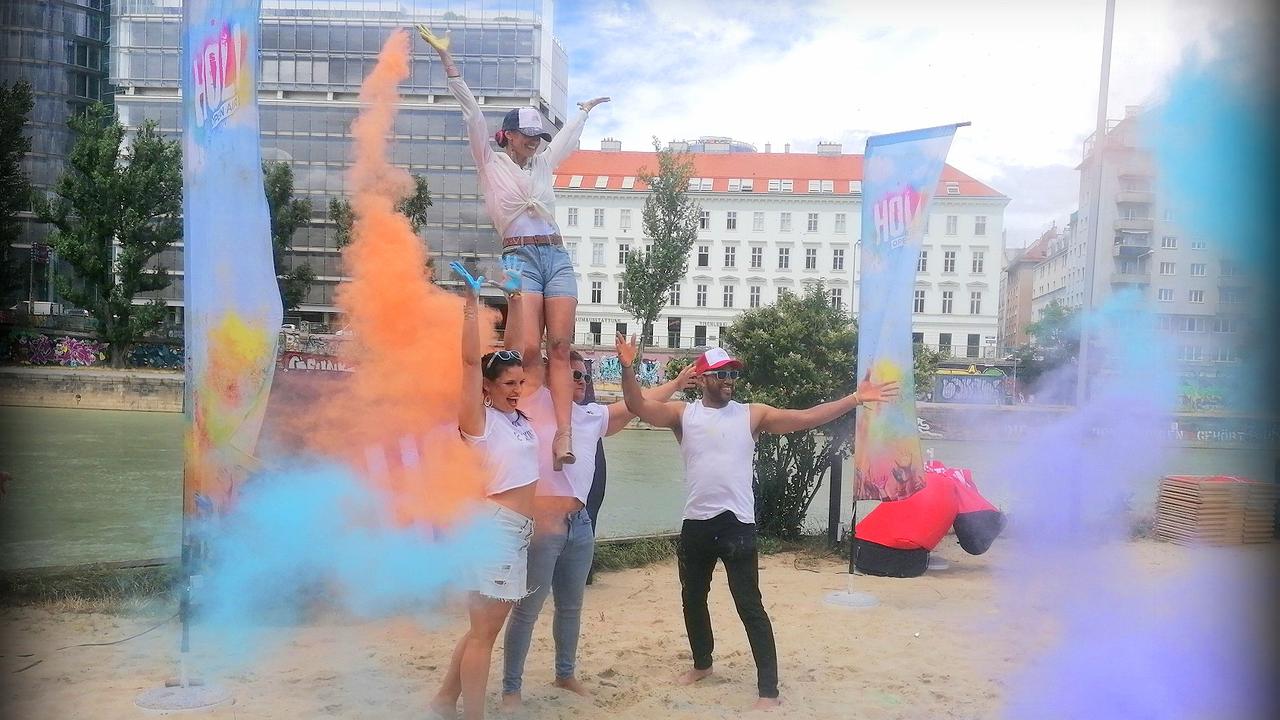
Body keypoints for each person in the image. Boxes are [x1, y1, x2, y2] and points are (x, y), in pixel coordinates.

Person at [617, 338, 901, 711]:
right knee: (692, 599)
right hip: (696, 524)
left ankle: (768, 690)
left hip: (738, 526)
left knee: (750, 606)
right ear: (701, 379)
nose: (729, 380)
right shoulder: (682, 415)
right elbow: (637, 405)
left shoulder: (752, 414)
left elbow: (806, 417)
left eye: (733, 373)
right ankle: (703, 664)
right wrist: (626, 368)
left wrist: (854, 399)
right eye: (721, 374)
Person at [417, 24, 609, 472]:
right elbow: (472, 115)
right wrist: (450, 65)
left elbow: (565, 140)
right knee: (525, 347)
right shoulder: (490, 162)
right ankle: (515, 420)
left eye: (538, 136)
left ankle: (563, 433)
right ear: (507, 135)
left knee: (560, 345)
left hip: (555, 255)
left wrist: (582, 113)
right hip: (519, 256)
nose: (534, 142)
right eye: (526, 135)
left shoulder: (543, 165)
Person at [501, 344, 696, 709]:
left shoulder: (590, 414)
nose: (581, 381)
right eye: (574, 374)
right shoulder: (539, 404)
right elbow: (539, 356)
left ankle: (565, 673)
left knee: (571, 606)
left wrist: (678, 380)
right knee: (527, 609)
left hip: (580, 522)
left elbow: (637, 403)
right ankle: (512, 687)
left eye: (585, 376)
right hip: (544, 522)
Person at [430, 258, 534, 720]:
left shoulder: (513, 418)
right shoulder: (479, 420)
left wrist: (514, 298)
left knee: (481, 632)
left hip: (513, 533)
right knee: (483, 634)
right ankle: (472, 714)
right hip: (494, 531)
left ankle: (442, 702)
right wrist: (471, 304)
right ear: (488, 389)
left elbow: (516, 351)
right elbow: (473, 361)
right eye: (509, 384)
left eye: (520, 383)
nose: (518, 388)